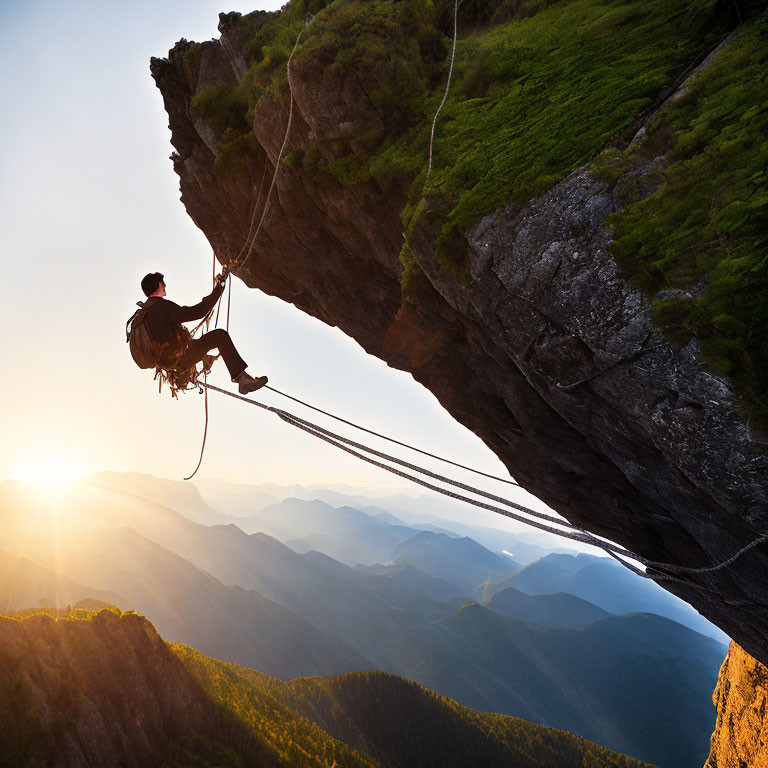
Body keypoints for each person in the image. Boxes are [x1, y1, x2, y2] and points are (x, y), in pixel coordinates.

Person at [139, 271, 267, 394]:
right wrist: (218, 289)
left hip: (169, 365)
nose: (165, 285)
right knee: (219, 336)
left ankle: (243, 378)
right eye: (162, 283)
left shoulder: (144, 313)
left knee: (206, 343)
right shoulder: (162, 307)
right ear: (157, 285)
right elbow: (198, 312)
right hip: (180, 359)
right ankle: (242, 380)